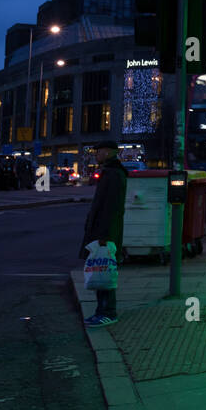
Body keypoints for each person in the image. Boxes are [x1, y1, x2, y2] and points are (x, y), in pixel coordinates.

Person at [79, 140, 128, 327]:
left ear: (108, 152)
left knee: (104, 271)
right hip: (103, 231)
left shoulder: (113, 175)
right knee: (102, 270)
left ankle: (108, 312)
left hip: (105, 233)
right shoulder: (111, 173)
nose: (96, 155)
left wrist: (105, 235)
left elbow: (111, 208)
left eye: (98, 151)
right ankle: (102, 311)